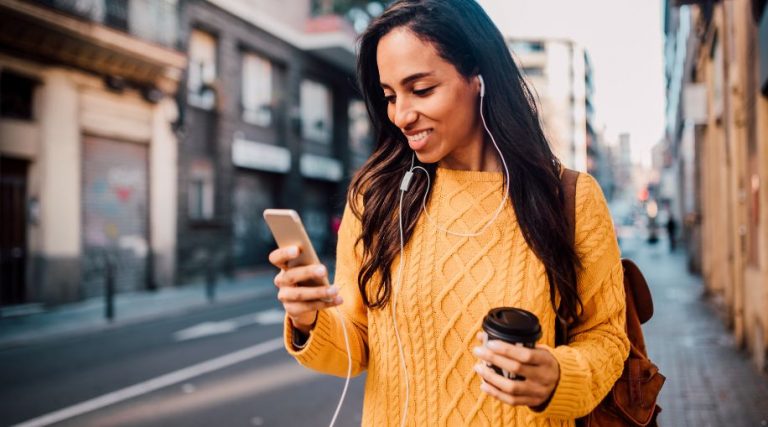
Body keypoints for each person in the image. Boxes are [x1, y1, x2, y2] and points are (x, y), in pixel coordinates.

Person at [268, 1, 629, 425]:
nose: (401, 114)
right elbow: (356, 346)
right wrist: (309, 318)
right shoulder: (375, 198)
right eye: (389, 96)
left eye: (421, 90)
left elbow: (606, 339)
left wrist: (558, 377)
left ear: (478, 77)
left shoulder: (570, 198)